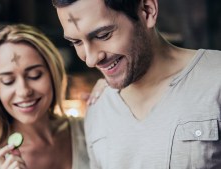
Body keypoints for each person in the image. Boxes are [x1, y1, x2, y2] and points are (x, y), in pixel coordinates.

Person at [52, 0, 221, 168]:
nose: (90, 59)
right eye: (77, 42)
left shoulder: (215, 79)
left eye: (103, 35)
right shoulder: (98, 107)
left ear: (147, 11)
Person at [0, 24, 93, 169]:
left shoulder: (87, 130)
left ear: (53, 74)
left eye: (35, 75)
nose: (23, 91)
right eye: (8, 81)